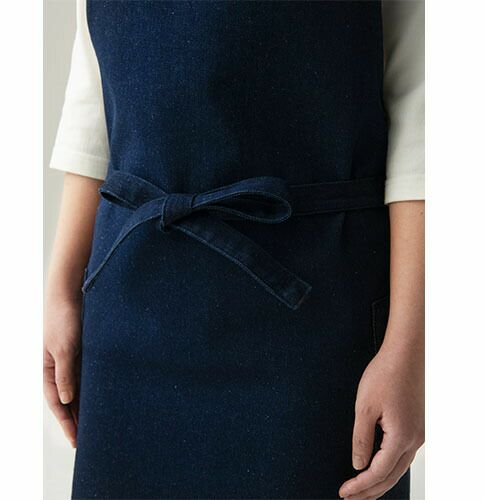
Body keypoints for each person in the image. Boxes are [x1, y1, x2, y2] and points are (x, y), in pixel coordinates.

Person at [44, 1, 425, 499]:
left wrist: (409, 350)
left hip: (310, 325)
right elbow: (93, 99)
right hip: (128, 319)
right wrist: (61, 290)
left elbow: (423, 126)